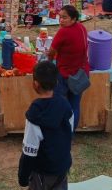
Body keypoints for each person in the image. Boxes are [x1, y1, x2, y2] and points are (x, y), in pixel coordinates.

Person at [18, 61, 73, 190]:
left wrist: (23, 177)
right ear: (57, 82)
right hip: (61, 169)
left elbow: (29, 152)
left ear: (35, 84)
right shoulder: (66, 106)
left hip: (41, 173)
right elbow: (69, 136)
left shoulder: (35, 114)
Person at [47, 5, 89, 132]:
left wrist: (49, 61)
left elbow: (52, 51)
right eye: (60, 17)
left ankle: (59, 132)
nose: (61, 20)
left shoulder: (63, 32)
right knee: (74, 106)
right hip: (81, 74)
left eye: (64, 18)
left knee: (59, 104)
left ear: (73, 18)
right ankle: (70, 133)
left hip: (65, 74)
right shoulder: (82, 28)